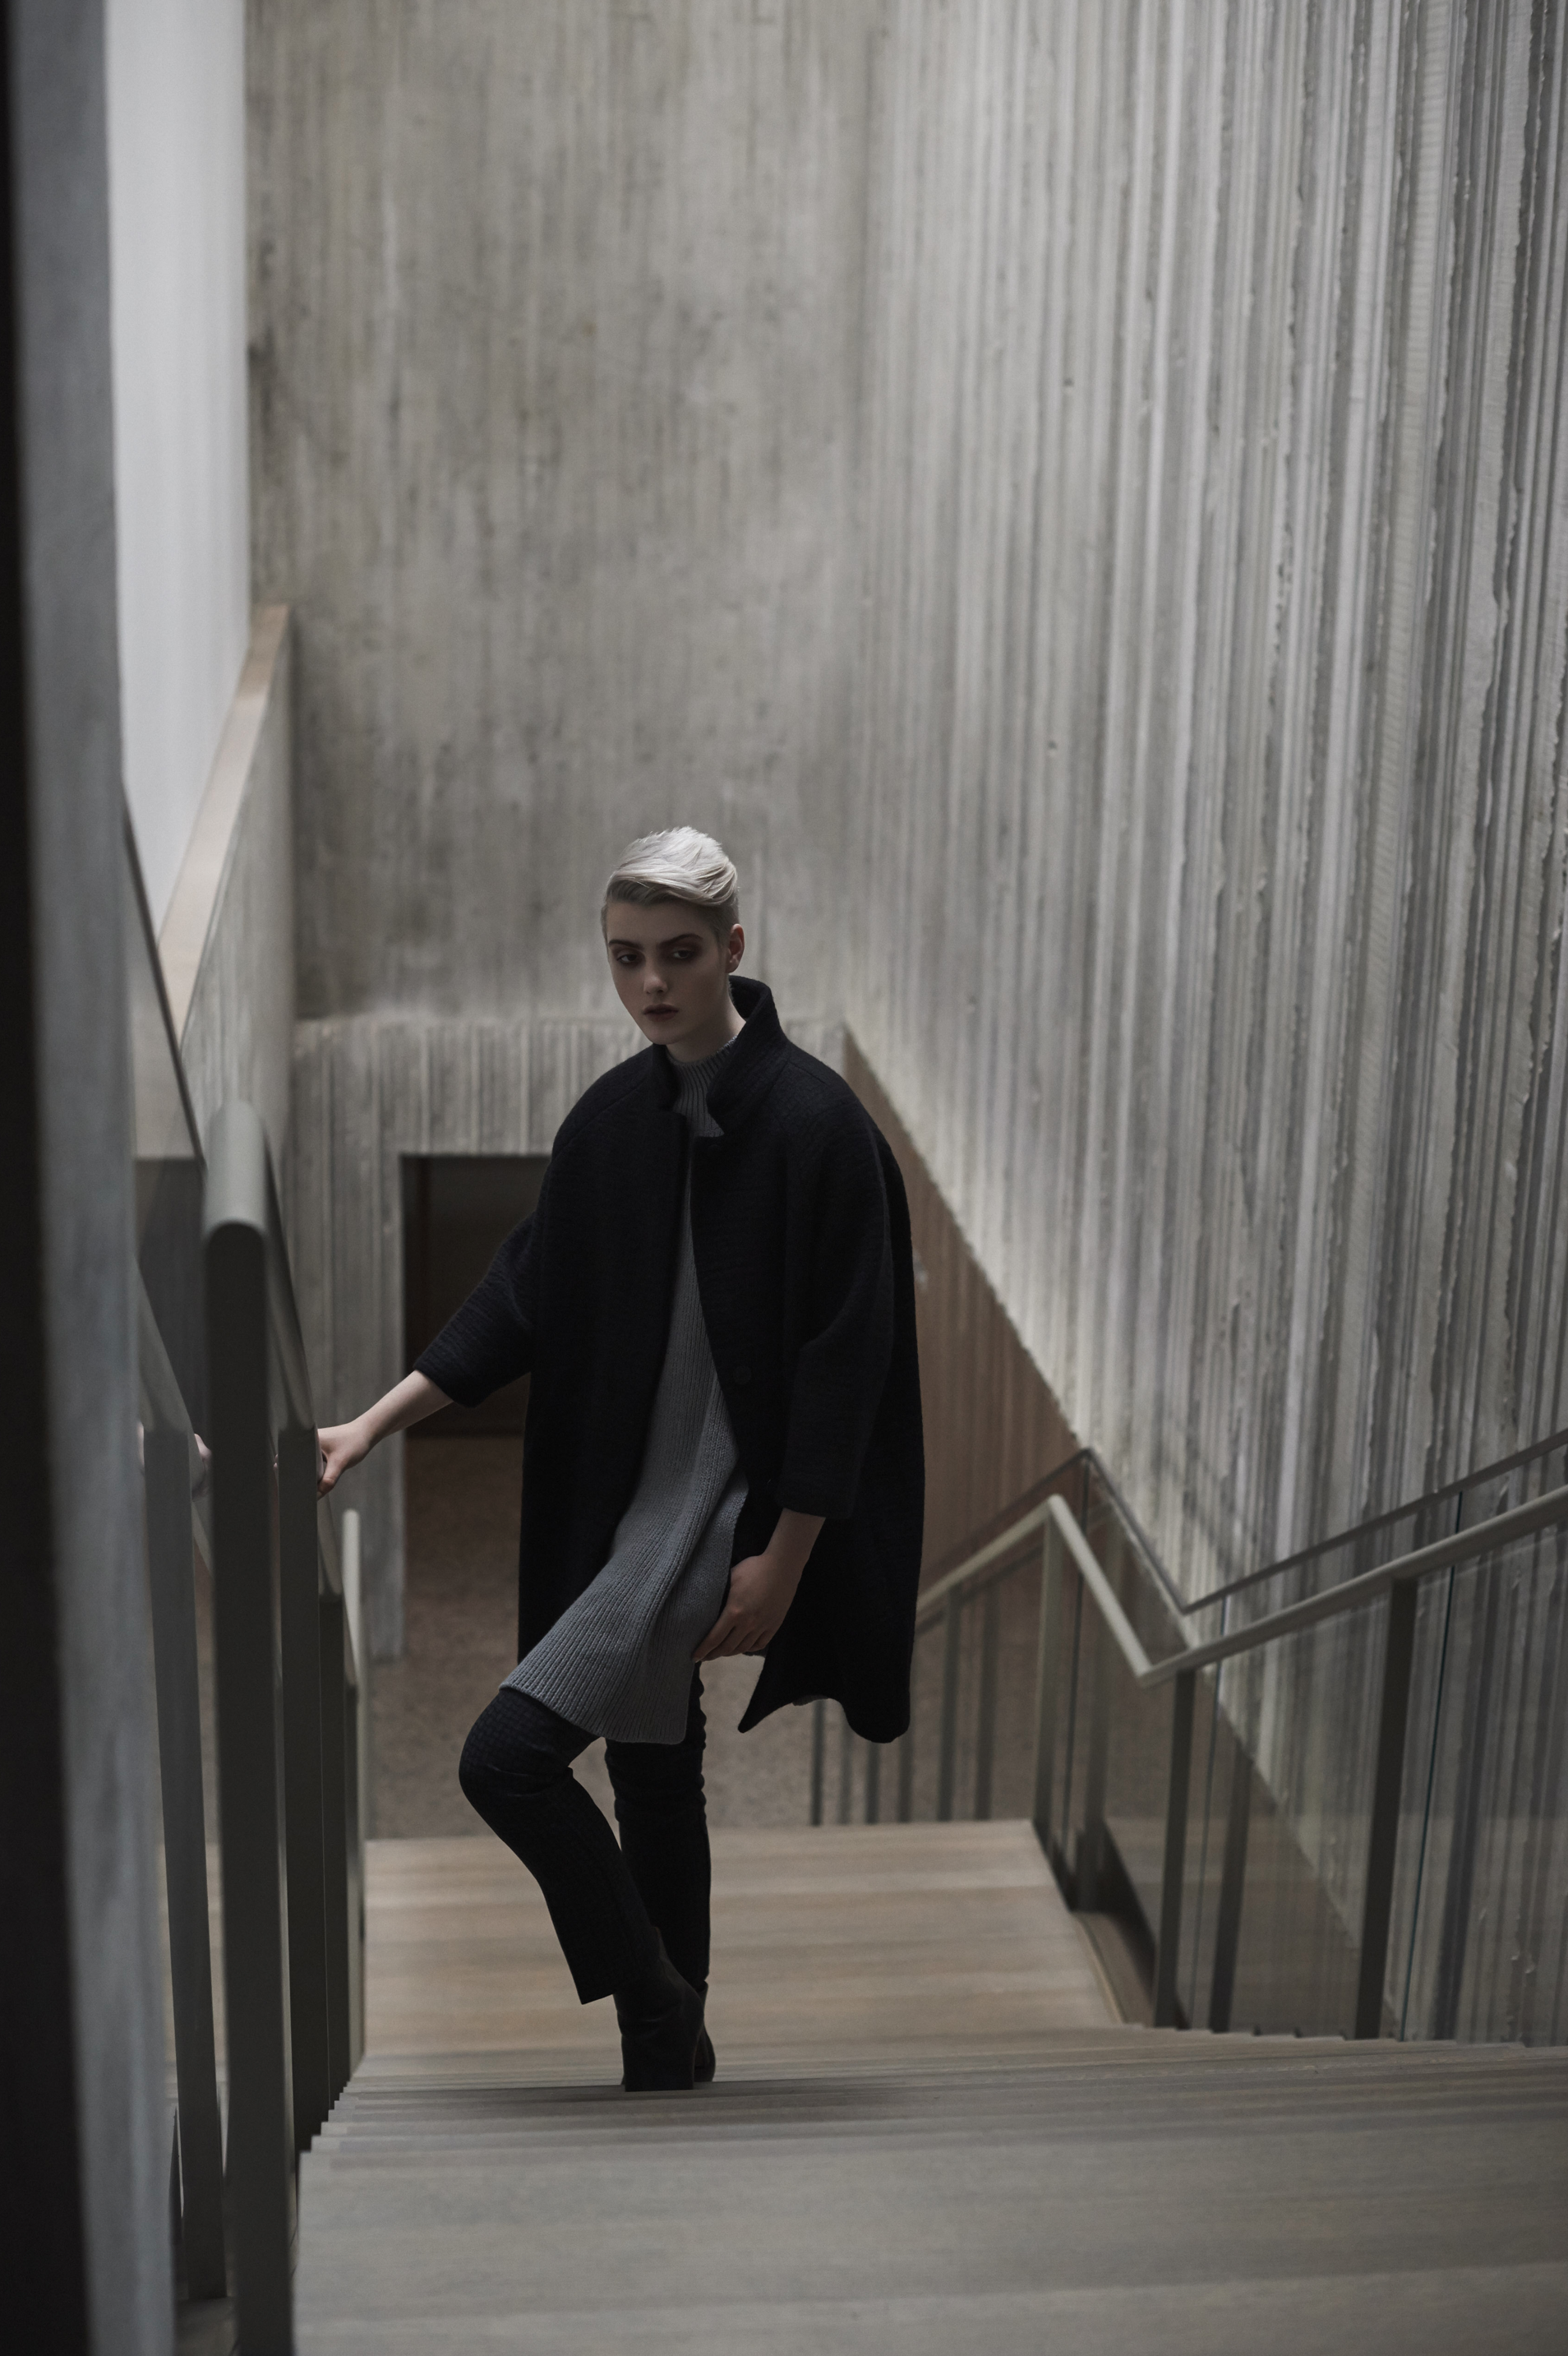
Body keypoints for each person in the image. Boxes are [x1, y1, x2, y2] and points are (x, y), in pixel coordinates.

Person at [316, 827, 924, 2090]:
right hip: (626, 1507)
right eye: (627, 956)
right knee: (652, 1765)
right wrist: (370, 1425)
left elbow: (847, 1362)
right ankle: (670, 2037)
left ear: (733, 949)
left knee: (503, 1758)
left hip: (727, 1515)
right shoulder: (610, 1123)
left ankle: (652, 1998)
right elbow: (521, 1295)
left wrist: (785, 1558)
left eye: (680, 954)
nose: (652, 982)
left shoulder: (819, 1126)